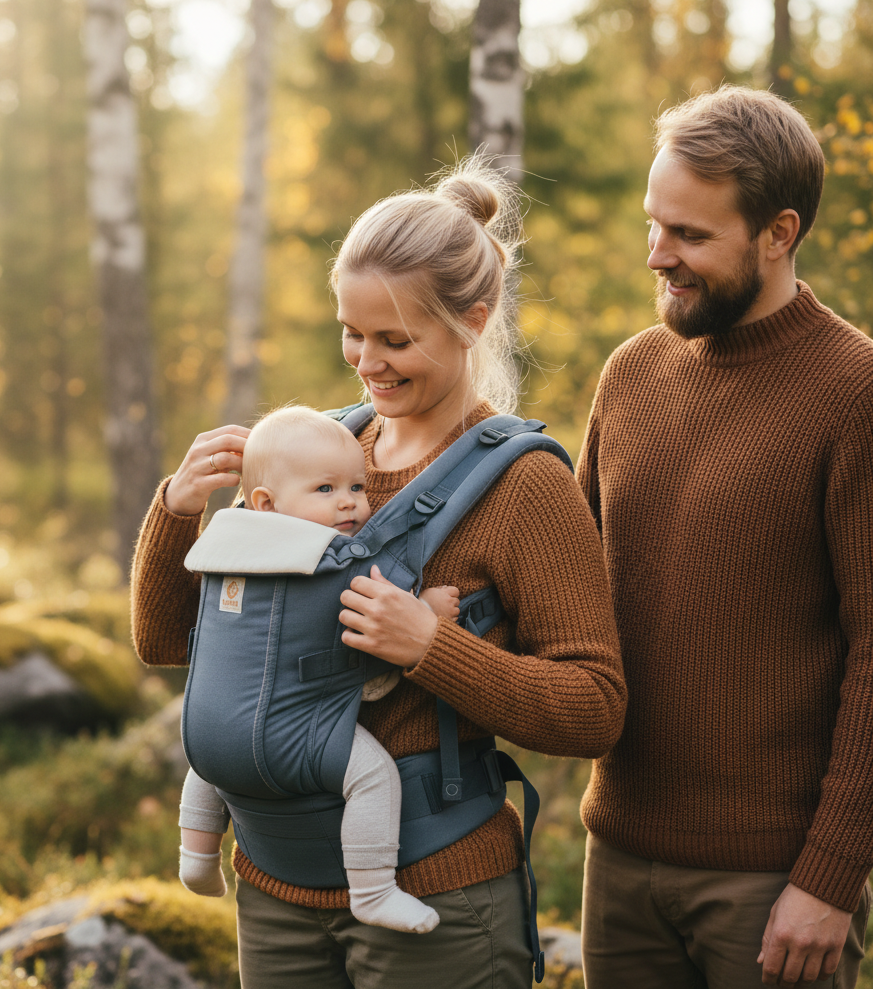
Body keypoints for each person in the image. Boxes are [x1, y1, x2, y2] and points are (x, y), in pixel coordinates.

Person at [132, 158, 626, 989]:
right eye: (351, 333)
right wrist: (177, 510)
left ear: (472, 320)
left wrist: (430, 645)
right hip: (276, 891)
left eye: (395, 340)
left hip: (437, 902)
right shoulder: (319, 458)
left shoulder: (524, 484)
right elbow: (165, 643)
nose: (367, 361)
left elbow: (596, 710)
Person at [576, 85, 873, 989]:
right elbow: (563, 590)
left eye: (691, 237)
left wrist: (828, 878)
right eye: (652, 224)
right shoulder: (631, 373)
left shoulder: (854, 391)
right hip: (617, 863)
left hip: (773, 887)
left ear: (778, 233)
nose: (658, 257)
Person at [177, 404, 459, 937]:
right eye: (325, 490)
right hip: (292, 737)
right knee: (374, 776)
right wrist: (429, 615)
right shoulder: (339, 564)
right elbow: (372, 648)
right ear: (266, 502)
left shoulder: (219, 549)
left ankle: (195, 856)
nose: (350, 501)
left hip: (208, 730)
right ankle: (374, 890)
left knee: (210, 763)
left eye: (357, 485)